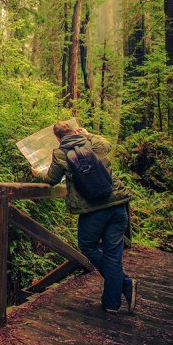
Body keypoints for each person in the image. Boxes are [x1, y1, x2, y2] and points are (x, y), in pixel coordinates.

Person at [32, 121, 138, 314]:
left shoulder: (60, 153)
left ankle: (124, 284)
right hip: (117, 205)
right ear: (75, 131)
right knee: (113, 254)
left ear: (57, 138)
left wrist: (37, 174)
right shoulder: (94, 144)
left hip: (93, 210)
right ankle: (112, 302)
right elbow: (107, 145)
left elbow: (52, 179)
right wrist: (88, 135)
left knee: (87, 245)